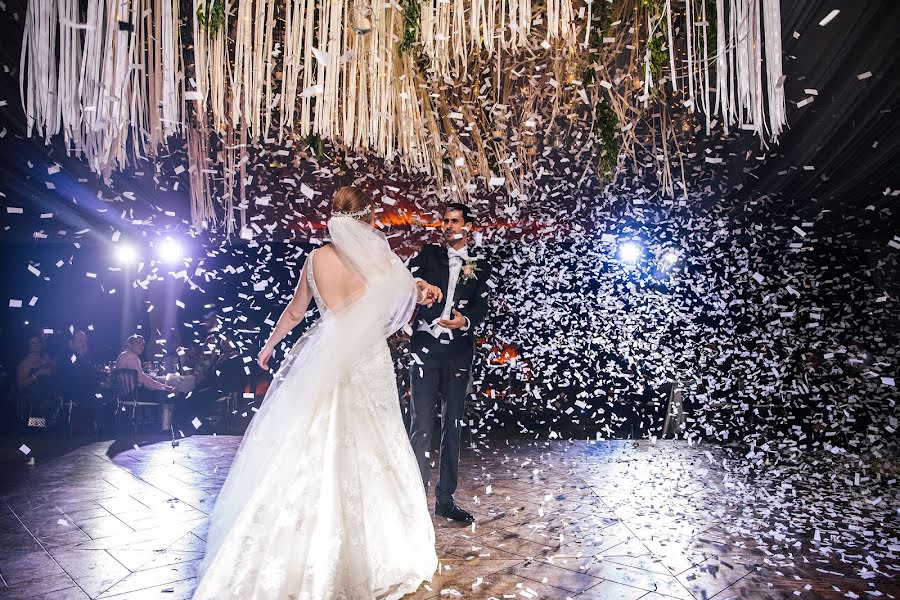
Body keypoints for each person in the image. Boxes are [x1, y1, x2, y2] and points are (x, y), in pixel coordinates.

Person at [194, 186, 438, 599]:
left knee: (313, 437)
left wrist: (270, 345)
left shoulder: (315, 259)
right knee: (375, 443)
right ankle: (375, 550)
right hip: (367, 359)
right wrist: (420, 286)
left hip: (324, 355)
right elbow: (401, 296)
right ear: (370, 218)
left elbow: (294, 311)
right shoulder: (379, 261)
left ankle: (301, 544)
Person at [406, 203, 493, 524]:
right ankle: (415, 499)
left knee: (452, 426)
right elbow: (408, 281)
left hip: (458, 353)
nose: (447, 225)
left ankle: (445, 499)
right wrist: (420, 287)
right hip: (424, 349)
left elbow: (484, 306)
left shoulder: (481, 264)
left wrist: (466, 320)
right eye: (444, 220)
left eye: (454, 221)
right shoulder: (428, 255)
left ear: (468, 226)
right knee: (421, 427)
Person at [14, 332, 57, 425]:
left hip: (50, 401)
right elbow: (20, 386)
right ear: (28, 346)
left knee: (53, 426)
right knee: (40, 427)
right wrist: (37, 374)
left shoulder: (45, 359)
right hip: (33, 405)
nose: (37, 344)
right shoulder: (24, 364)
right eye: (33, 342)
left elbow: (55, 372)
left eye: (38, 341)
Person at [115, 335, 174, 400]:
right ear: (129, 345)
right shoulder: (131, 356)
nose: (142, 346)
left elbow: (136, 375)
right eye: (138, 343)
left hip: (126, 394)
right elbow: (141, 378)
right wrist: (164, 387)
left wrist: (147, 376)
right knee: (171, 395)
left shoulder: (124, 355)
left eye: (143, 344)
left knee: (166, 394)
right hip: (134, 394)